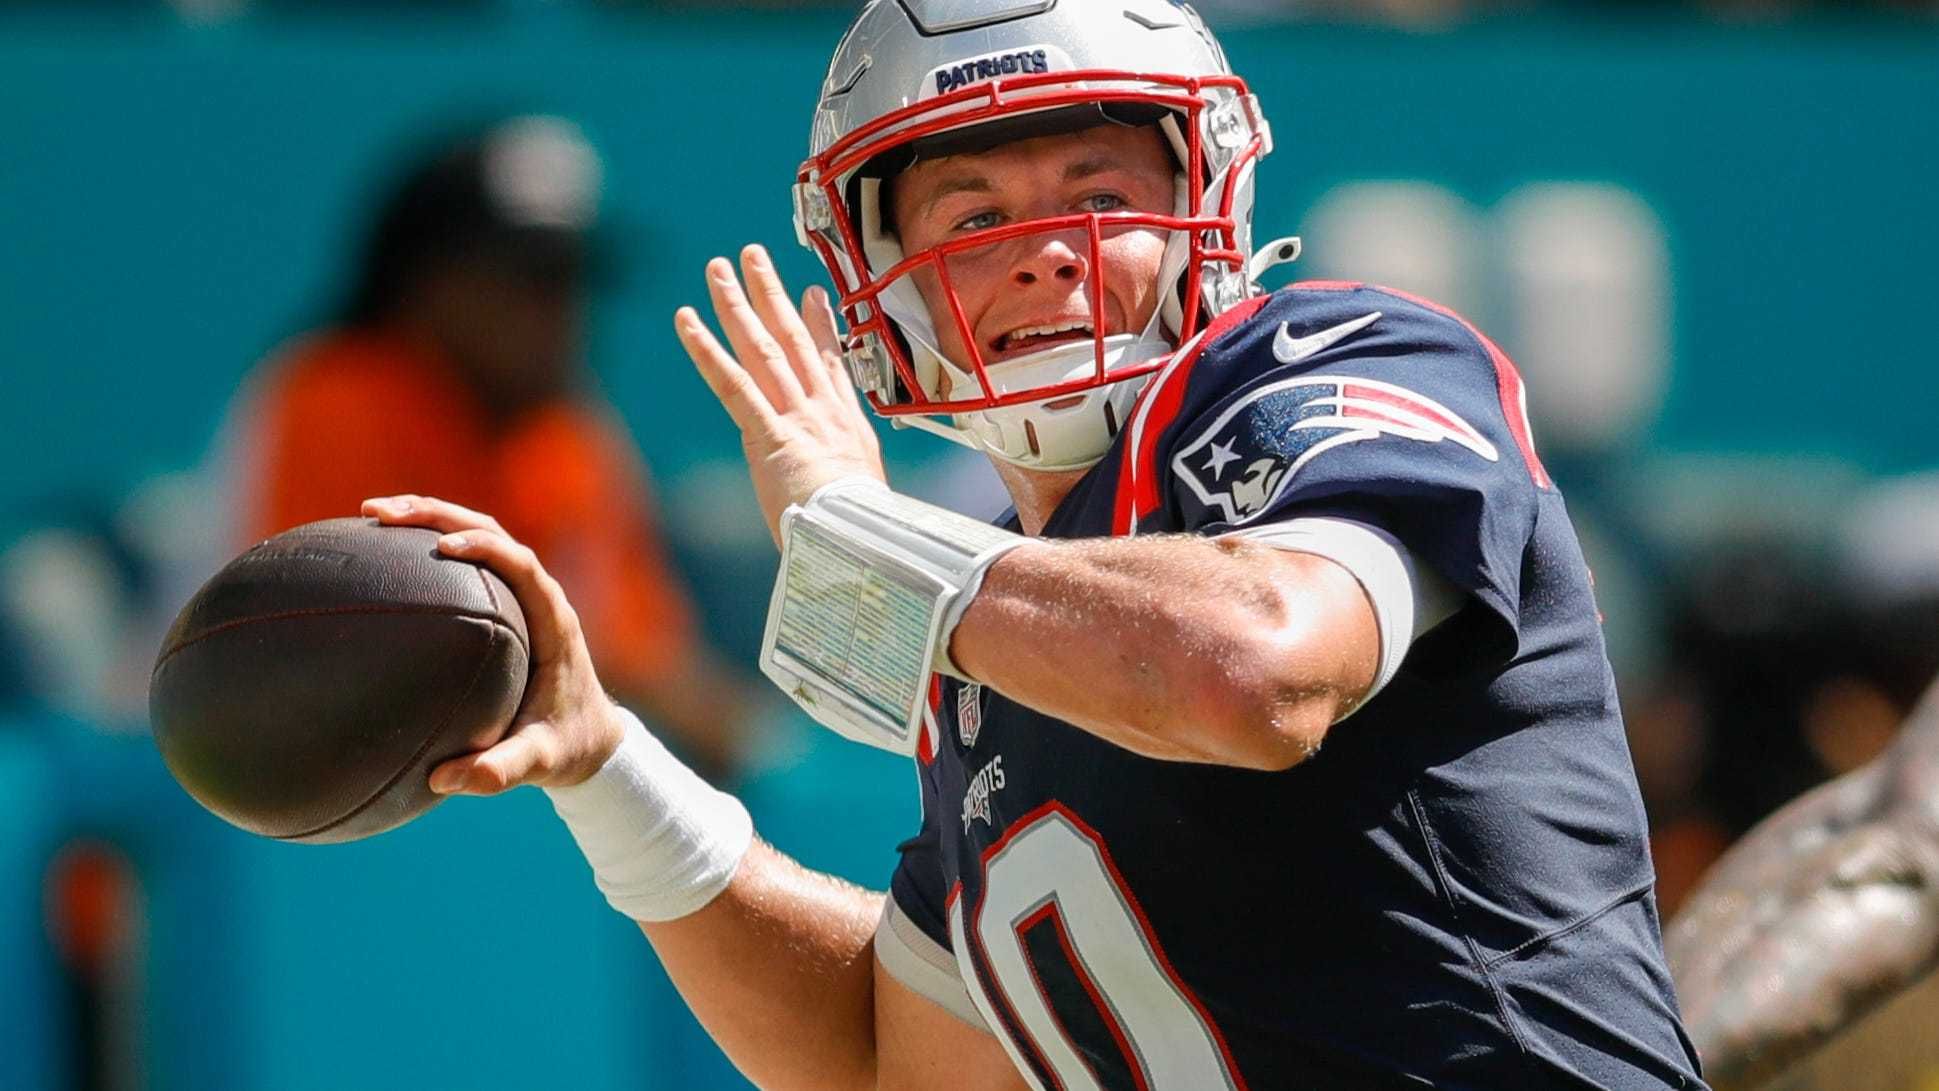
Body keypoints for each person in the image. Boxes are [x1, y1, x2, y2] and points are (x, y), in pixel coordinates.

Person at [367, 3, 1705, 1086]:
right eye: (974, 217)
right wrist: (605, 762)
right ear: (878, 275)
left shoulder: (1335, 358)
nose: (1045, 252)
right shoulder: (993, 632)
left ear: (1206, 197)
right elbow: (886, 1059)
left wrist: (865, 539)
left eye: (1098, 191)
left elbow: (1250, 669)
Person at [221, 116, 754, 775]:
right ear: (427, 284)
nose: (562, 312)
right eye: (529, 279)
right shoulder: (338, 392)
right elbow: (348, 668)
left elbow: (649, 663)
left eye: (574, 280)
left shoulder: (566, 434)